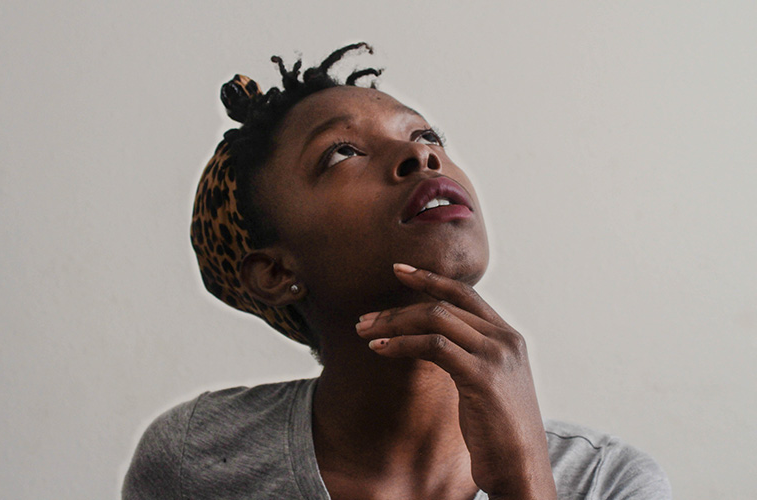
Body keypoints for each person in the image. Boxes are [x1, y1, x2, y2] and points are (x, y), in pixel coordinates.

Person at [123, 42, 671, 499]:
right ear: (274, 271)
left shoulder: (609, 482)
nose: (421, 157)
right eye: (342, 152)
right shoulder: (195, 462)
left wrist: (522, 483)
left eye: (426, 136)